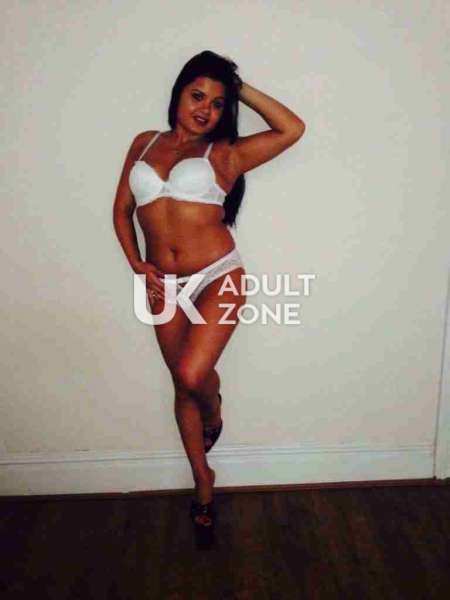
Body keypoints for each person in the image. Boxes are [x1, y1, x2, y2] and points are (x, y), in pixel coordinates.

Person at [113, 50, 305, 547]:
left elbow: (292, 129)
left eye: (218, 103)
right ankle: (203, 483)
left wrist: (238, 87)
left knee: (193, 375)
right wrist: (137, 264)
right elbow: (122, 209)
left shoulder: (226, 153)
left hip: (217, 275)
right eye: (198, 96)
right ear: (178, 93)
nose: (206, 109)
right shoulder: (143, 143)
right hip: (162, 283)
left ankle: (214, 412)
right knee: (182, 385)